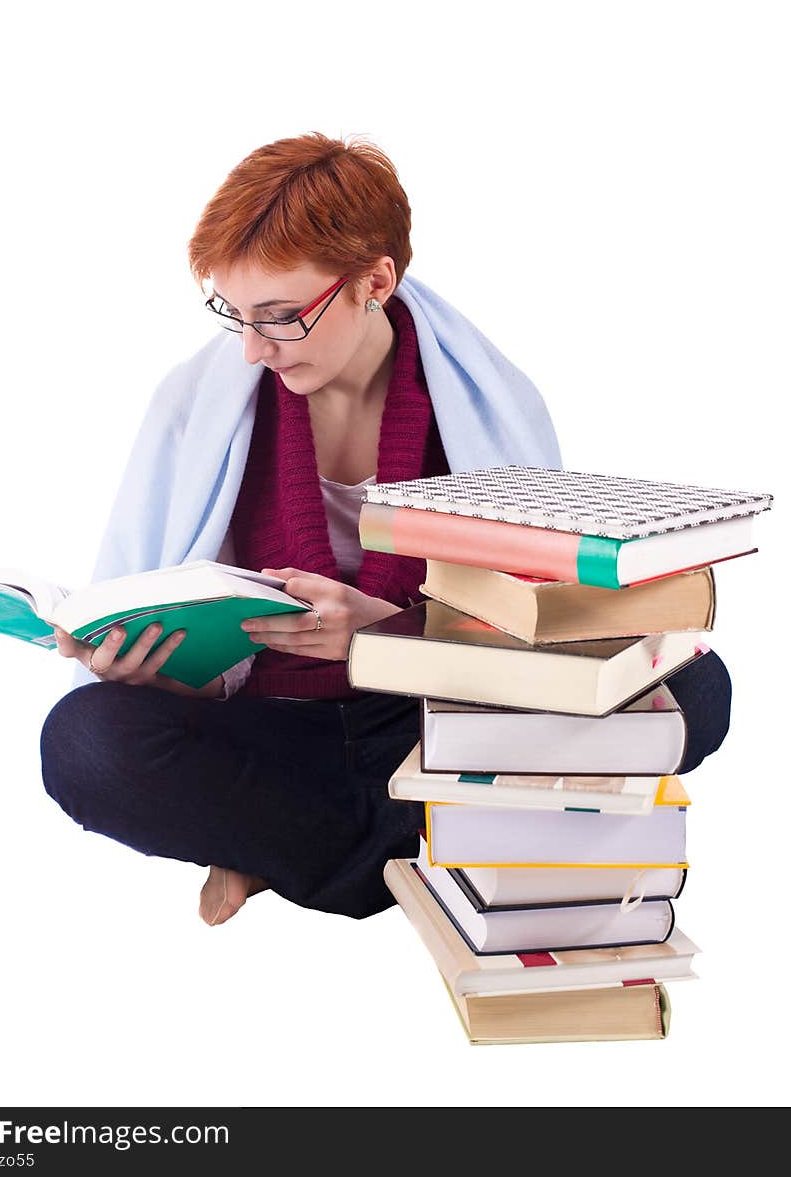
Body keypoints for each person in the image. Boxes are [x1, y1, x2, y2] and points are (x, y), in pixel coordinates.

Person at [39, 132, 732, 925]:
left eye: (281, 316)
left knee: (692, 687)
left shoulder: (487, 402)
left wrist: (391, 637)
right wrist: (158, 668)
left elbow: (548, 633)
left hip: (438, 722)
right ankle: (429, 852)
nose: (252, 347)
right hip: (275, 726)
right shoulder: (198, 404)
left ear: (375, 279)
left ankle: (284, 851)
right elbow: (169, 591)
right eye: (234, 313)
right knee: (85, 741)